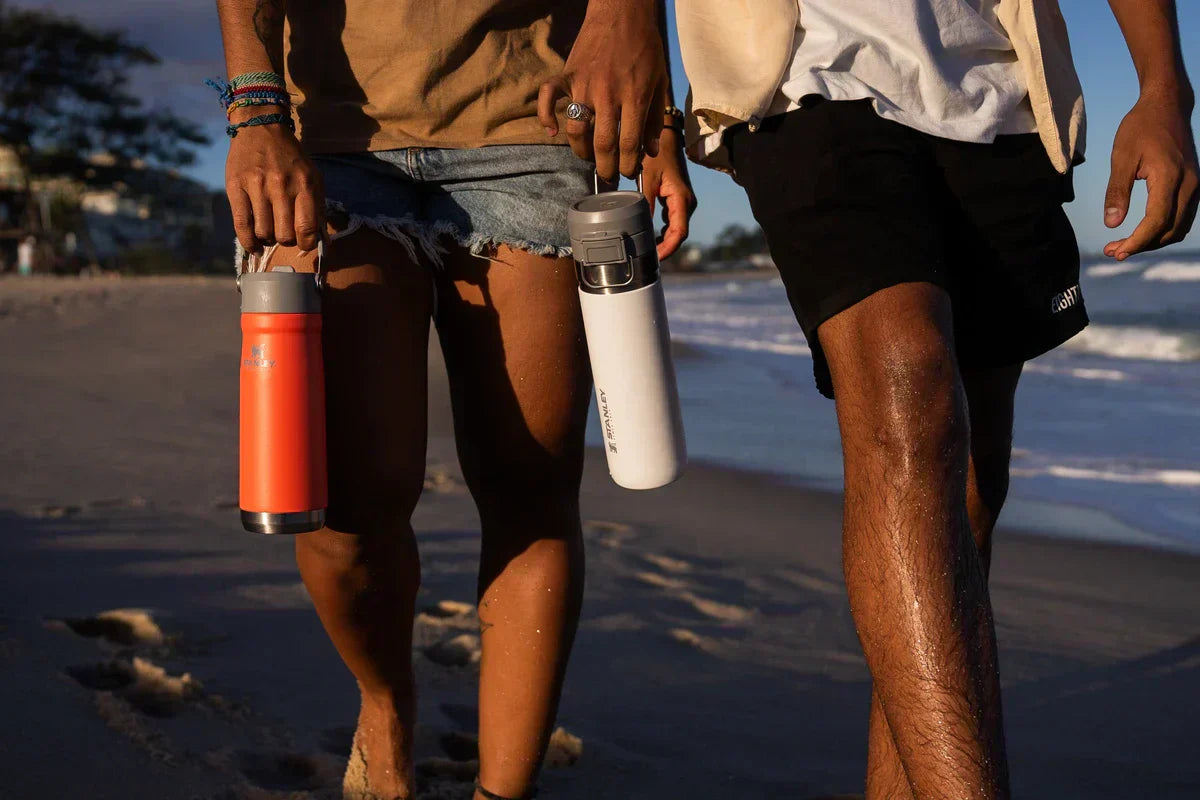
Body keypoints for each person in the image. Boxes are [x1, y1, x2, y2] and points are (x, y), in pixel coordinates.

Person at [670, 1, 1197, 798]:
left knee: (967, 493)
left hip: (998, 89)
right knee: (913, 394)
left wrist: (1164, 89)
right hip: (804, 74)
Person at [212, 1, 694, 798]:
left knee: (531, 487)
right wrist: (256, 109)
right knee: (351, 507)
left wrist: (657, 115)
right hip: (330, 136)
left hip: (534, 124)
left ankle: (504, 790)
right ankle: (386, 701)